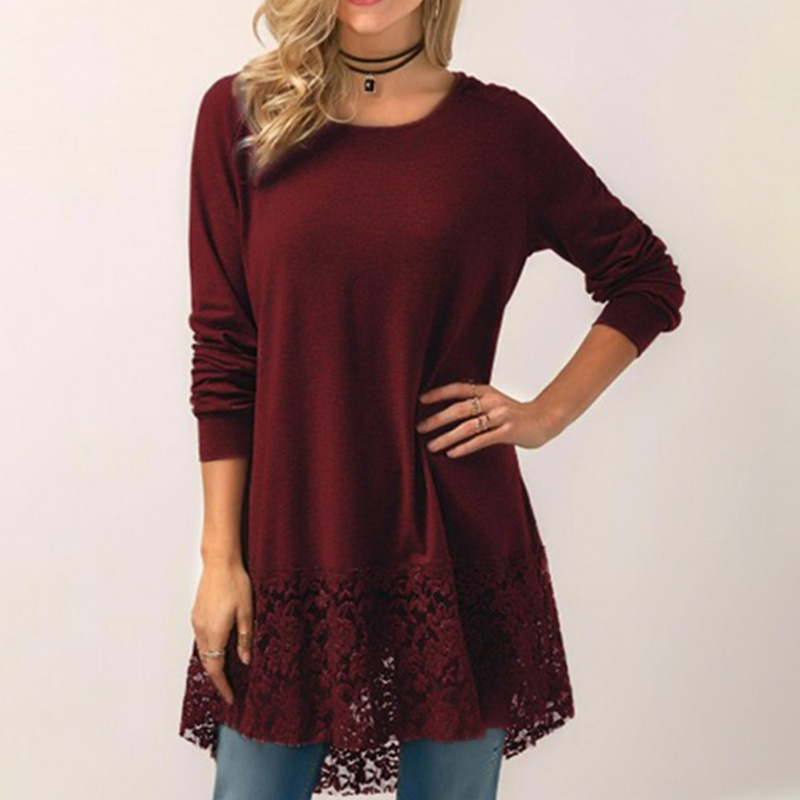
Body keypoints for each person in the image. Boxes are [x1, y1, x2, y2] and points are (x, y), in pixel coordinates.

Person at [178, 0, 686, 797]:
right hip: (290, 537)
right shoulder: (244, 115)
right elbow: (224, 352)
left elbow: (646, 277)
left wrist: (546, 414)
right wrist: (220, 559)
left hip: (455, 548)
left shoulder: (500, 133)